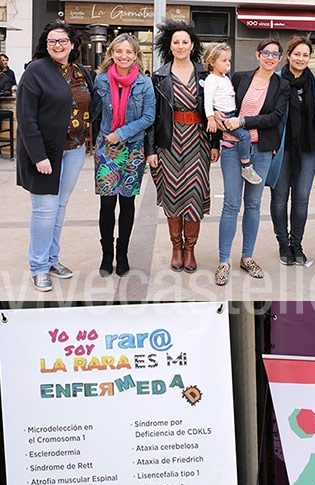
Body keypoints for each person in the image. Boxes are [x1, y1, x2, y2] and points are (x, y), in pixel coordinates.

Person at [16, 22, 93, 292]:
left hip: (74, 150)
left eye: (62, 41)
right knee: (45, 210)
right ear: (46, 45)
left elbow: (90, 107)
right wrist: (39, 156)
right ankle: (38, 267)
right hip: (45, 154)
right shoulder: (36, 71)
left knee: (59, 208)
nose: (57, 45)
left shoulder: (81, 72)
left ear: (72, 44)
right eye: (52, 41)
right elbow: (25, 118)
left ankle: (51, 259)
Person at [214, 36, 289, 287]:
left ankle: (247, 257)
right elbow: (222, 103)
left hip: (263, 149)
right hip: (232, 147)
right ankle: (224, 261)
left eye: (275, 54)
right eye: (266, 53)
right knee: (231, 205)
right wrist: (215, 113)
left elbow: (275, 117)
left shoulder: (282, 85)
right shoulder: (239, 77)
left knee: (254, 204)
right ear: (258, 55)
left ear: (280, 59)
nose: (270, 58)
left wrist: (244, 122)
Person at [146, 20, 219, 273]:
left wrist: (215, 143)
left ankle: (190, 249)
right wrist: (151, 150)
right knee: (172, 195)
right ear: (169, 45)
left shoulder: (205, 75)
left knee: (195, 195)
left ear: (192, 45)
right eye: (175, 42)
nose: (180, 46)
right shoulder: (159, 76)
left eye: (184, 42)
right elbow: (152, 117)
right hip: (170, 142)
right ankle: (176, 247)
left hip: (198, 141)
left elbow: (215, 111)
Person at [268, 35, 315, 266]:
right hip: (281, 148)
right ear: (288, 56)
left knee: (301, 199)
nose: (300, 58)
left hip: (308, 148)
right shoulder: (276, 79)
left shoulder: (314, 81)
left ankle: (297, 244)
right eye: (296, 54)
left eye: (305, 55)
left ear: (310, 58)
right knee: (279, 199)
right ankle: (283, 244)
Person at [92, 33, 155, 277]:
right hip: (107, 148)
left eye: (129, 52)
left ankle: (122, 254)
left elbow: (149, 118)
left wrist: (121, 134)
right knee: (107, 203)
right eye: (119, 51)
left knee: (127, 202)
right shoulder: (100, 81)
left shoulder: (144, 83)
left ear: (136, 55)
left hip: (133, 149)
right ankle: (107, 255)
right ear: (111, 54)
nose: (124, 56)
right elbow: (94, 111)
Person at [203, 43, 261, 183]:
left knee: (244, 135)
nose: (228, 63)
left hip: (233, 114)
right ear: (212, 62)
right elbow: (208, 100)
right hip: (225, 117)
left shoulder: (225, 77)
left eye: (229, 60)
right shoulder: (211, 79)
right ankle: (246, 166)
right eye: (223, 61)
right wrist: (211, 118)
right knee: (244, 135)